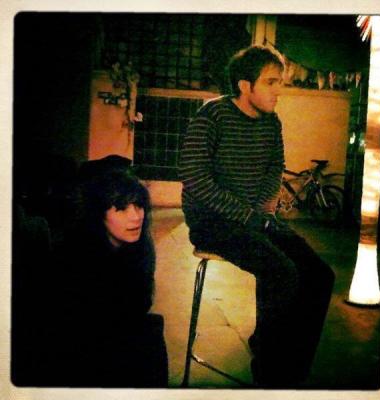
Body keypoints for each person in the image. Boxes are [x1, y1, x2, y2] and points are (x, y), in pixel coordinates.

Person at [179, 45, 335, 388]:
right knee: (280, 271)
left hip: (254, 218)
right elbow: (194, 176)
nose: (279, 90)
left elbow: (274, 167)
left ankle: (291, 363)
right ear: (244, 86)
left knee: (320, 276)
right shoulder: (212, 115)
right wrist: (248, 216)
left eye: (281, 82)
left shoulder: (271, 121)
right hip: (211, 222)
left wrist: (263, 208)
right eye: (271, 82)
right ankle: (271, 375)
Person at [12, 156, 168, 387]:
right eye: (121, 208)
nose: (135, 216)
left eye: (139, 205)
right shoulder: (74, 256)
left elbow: (137, 307)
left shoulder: (140, 249)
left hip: (111, 339)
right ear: (99, 213)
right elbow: (71, 331)